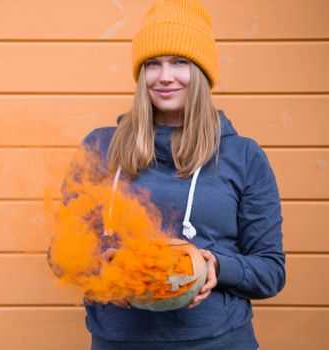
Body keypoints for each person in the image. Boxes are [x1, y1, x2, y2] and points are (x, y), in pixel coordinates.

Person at [49, 0, 286, 349]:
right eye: (153, 64)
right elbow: (60, 257)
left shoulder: (243, 156)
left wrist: (217, 267)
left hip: (220, 342)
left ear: (202, 72)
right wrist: (107, 270)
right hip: (120, 342)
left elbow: (271, 271)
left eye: (180, 63)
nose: (165, 77)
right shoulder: (100, 147)